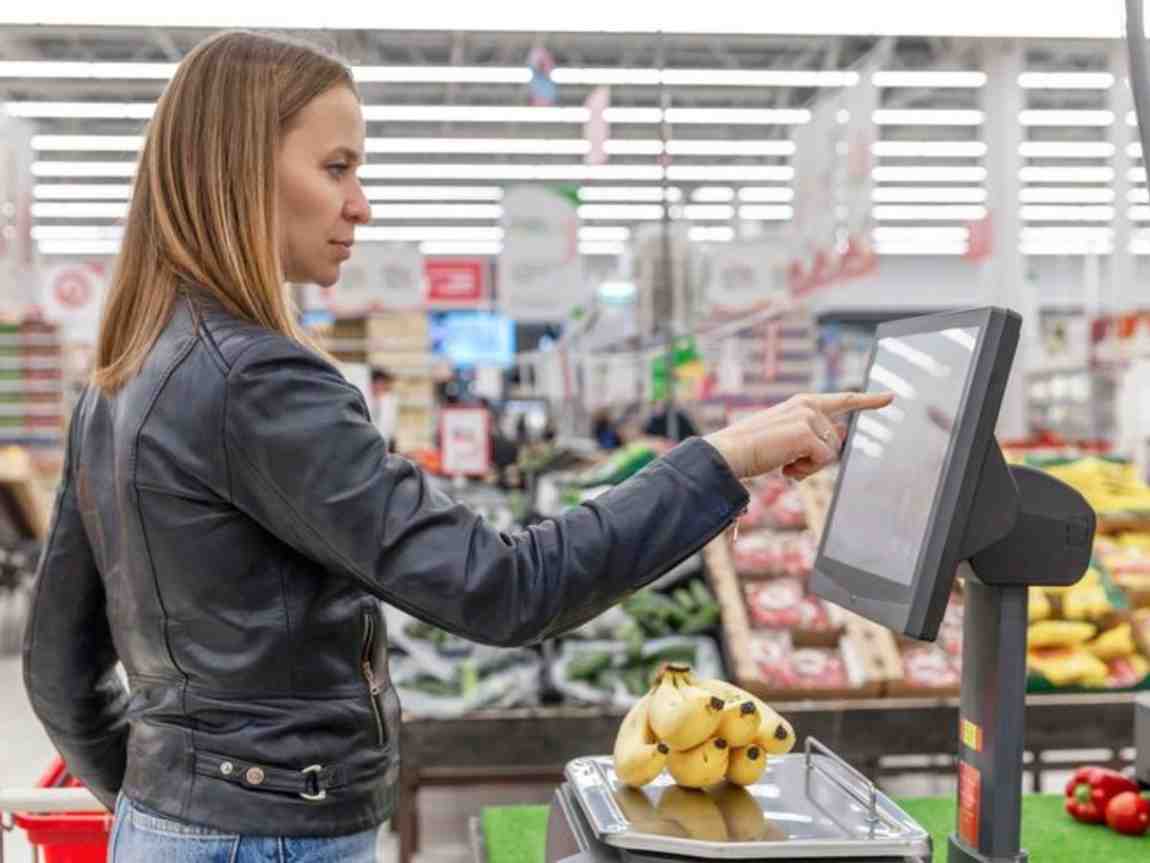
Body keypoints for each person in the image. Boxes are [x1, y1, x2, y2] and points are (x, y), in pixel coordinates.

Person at [20, 30, 892, 863]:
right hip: (268, 832)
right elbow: (504, 586)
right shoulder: (259, 384)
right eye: (336, 168)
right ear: (241, 172)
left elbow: (58, 666)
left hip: (179, 824)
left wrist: (167, 800)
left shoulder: (121, 375)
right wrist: (722, 456)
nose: (361, 202)